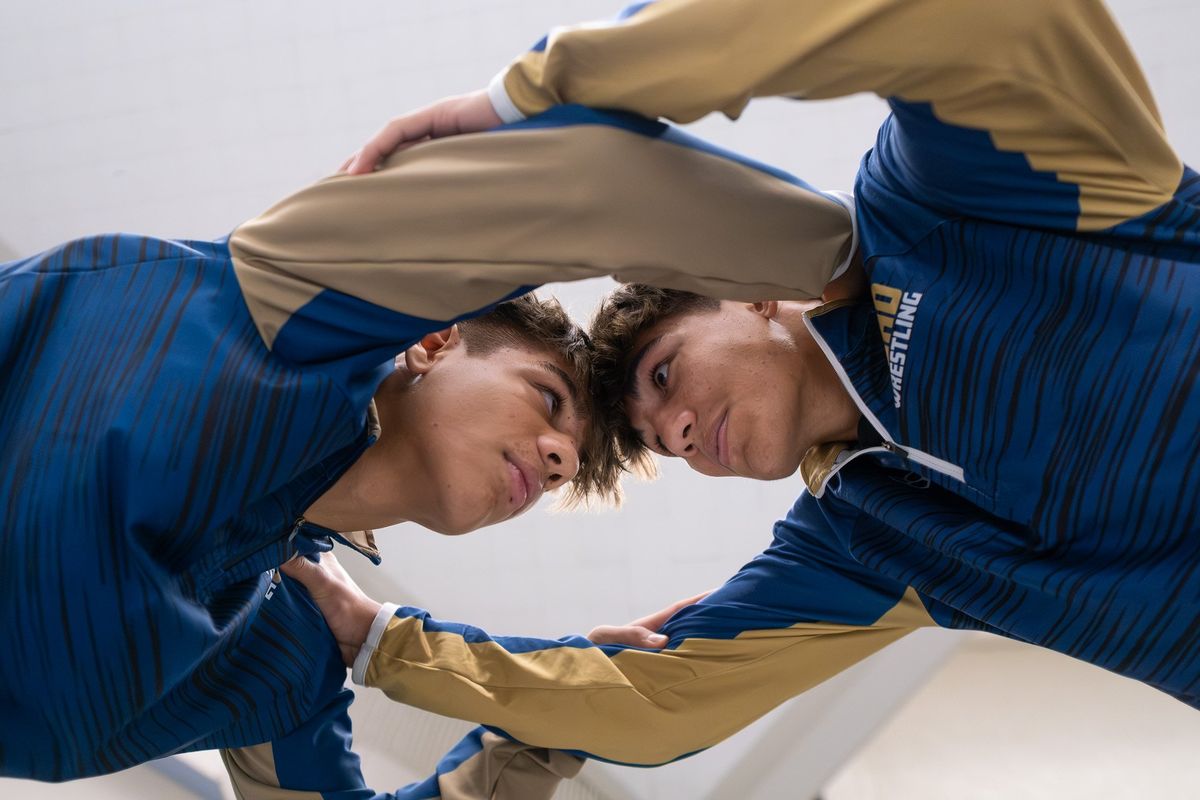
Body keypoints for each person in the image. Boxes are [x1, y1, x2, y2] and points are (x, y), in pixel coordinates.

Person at [235, 0, 1198, 797]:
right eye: (664, 444)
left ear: (748, 289)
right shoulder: (866, 544)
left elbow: (979, 19)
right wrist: (383, 644)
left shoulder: (937, 211)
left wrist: (536, 96)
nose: (683, 432)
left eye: (665, 377)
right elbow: (658, 701)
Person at [3, 88, 849, 781]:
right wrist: (837, 266)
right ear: (435, 339)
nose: (556, 458)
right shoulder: (285, 322)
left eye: (565, 474)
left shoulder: (284, 655)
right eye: (549, 401)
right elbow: (584, 188)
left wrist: (543, 719)